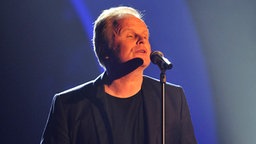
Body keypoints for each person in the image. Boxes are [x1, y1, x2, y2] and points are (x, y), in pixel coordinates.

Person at [40, 6, 197, 144]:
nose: (141, 40)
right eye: (130, 35)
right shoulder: (69, 105)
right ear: (104, 49)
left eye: (145, 36)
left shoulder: (172, 98)